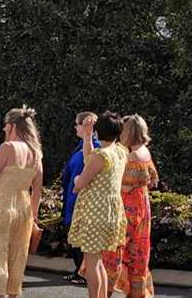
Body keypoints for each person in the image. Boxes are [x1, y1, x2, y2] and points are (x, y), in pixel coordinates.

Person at [0, 108, 44, 298]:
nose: (4, 127)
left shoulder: (8, 147)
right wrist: (33, 216)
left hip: (0, 205)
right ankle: (13, 294)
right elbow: (37, 190)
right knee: (17, 254)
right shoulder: (36, 153)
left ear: (13, 125)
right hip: (23, 208)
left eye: (6, 124)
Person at [68, 111, 127, 298]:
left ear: (99, 131)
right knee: (98, 262)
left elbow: (79, 183)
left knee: (92, 264)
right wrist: (87, 137)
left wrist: (77, 178)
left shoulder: (101, 156)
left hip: (95, 213)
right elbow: (89, 159)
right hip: (110, 212)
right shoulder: (120, 151)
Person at [102, 115, 159, 298]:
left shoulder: (130, 156)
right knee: (137, 253)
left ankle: (105, 292)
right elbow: (152, 181)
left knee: (114, 252)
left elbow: (118, 183)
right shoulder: (145, 152)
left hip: (127, 209)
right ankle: (136, 293)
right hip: (142, 207)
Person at [61, 112, 101, 286]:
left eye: (77, 124)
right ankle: (78, 269)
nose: (75, 127)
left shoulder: (95, 147)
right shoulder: (80, 146)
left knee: (80, 238)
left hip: (80, 197)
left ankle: (83, 272)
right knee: (73, 235)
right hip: (72, 195)